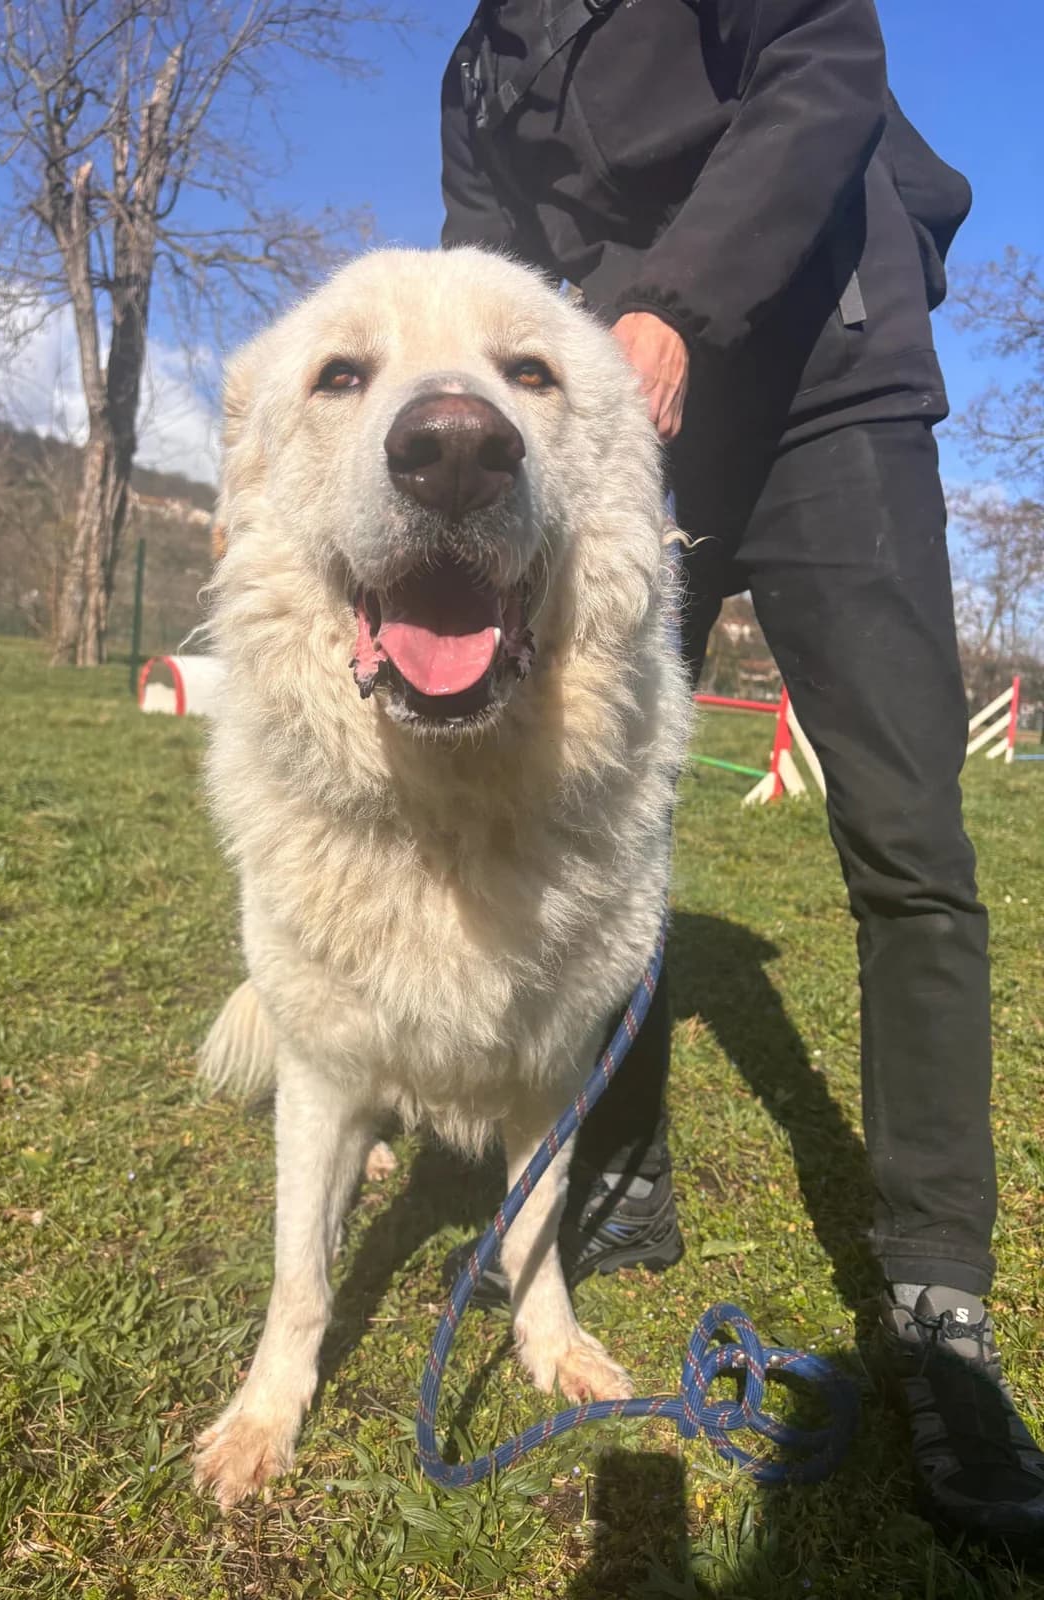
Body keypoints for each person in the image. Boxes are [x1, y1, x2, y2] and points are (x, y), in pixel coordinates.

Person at [438, 0, 1044, 1546]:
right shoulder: (484, 63)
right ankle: (617, 1172)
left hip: (829, 385)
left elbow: (834, 69)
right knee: (598, 820)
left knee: (908, 842)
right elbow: (476, 278)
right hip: (636, 437)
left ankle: (935, 1300)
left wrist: (673, 302)